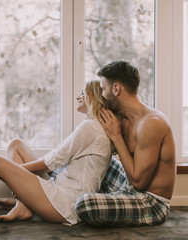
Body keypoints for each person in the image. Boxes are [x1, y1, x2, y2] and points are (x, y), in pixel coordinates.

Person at [0, 80, 114, 225]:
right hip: (61, 188)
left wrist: (11, 172)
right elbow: (54, 159)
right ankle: (22, 206)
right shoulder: (94, 127)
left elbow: (51, 163)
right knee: (16, 144)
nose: (78, 97)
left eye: (82, 93)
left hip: (65, 205)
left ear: (91, 95)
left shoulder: (90, 128)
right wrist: (16, 173)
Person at [75, 60, 176, 226]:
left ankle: (101, 198)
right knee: (82, 157)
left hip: (151, 202)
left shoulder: (151, 123)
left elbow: (139, 182)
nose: (101, 94)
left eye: (103, 89)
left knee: (85, 204)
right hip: (127, 185)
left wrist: (116, 137)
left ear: (116, 89)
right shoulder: (119, 116)